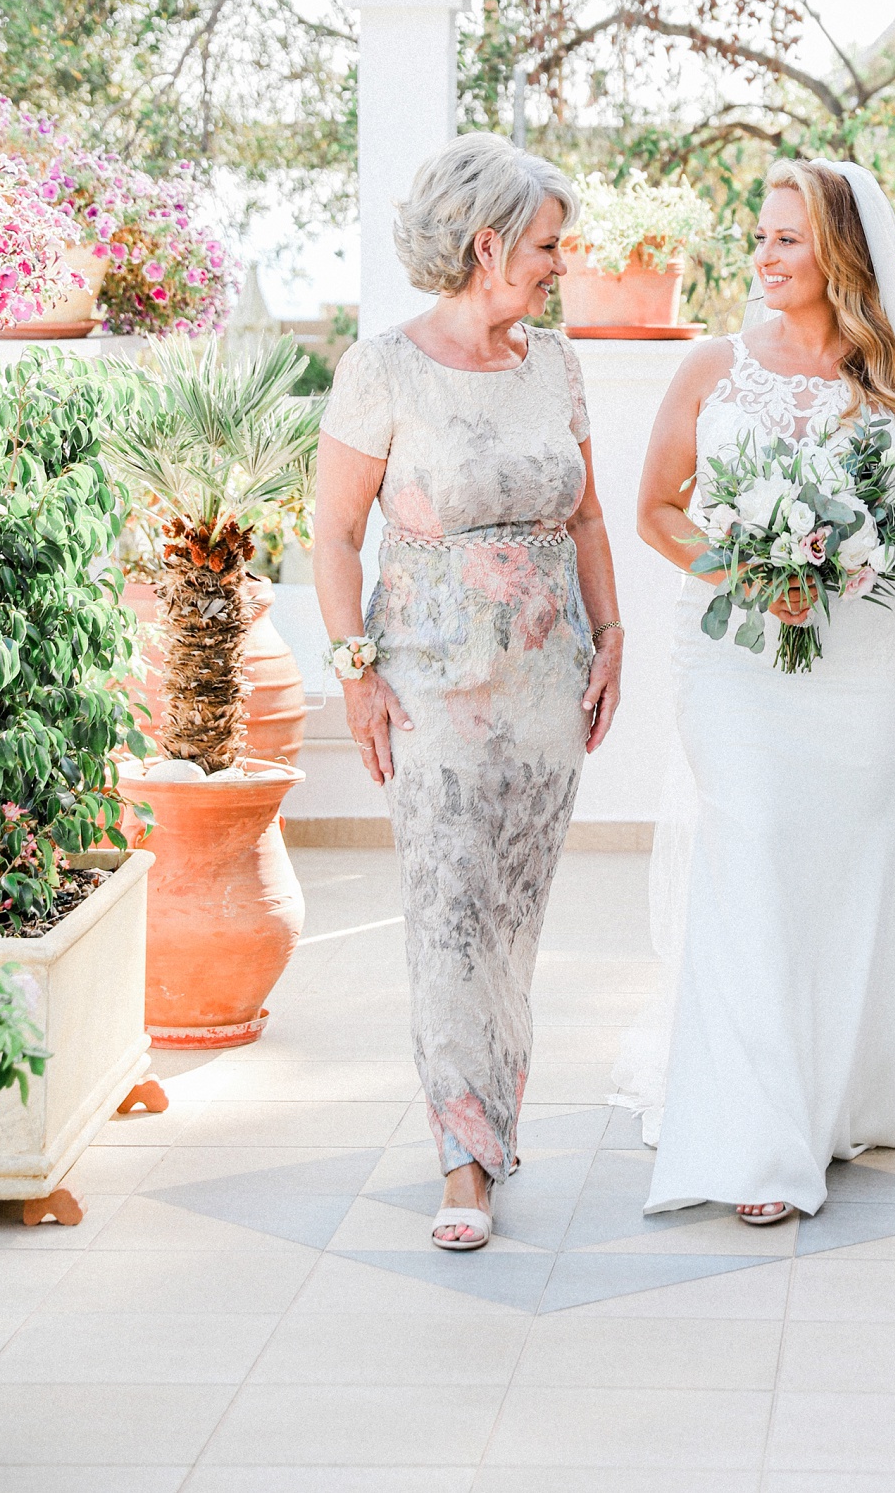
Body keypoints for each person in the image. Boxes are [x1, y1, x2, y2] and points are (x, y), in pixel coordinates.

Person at [626, 157, 895, 1223]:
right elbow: (656, 512)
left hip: (864, 670)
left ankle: (840, 1089)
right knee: (752, 844)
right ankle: (759, 1139)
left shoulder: (893, 381)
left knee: (849, 862)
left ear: (839, 252)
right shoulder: (714, 366)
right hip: (735, 669)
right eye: (759, 235)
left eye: (787, 238)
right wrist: (749, 570)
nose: (762, 254)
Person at [313, 135, 622, 1252]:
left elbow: (587, 515)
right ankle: (464, 1161)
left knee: (513, 923)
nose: (559, 264)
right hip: (433, 688)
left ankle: (495, 1109)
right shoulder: (383, 367)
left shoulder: (556, 364)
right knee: (449, 918)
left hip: (547, 690)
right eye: (547, 246)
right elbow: (336, 535)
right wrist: (355, 675)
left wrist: (613, 635)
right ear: (490, 244)